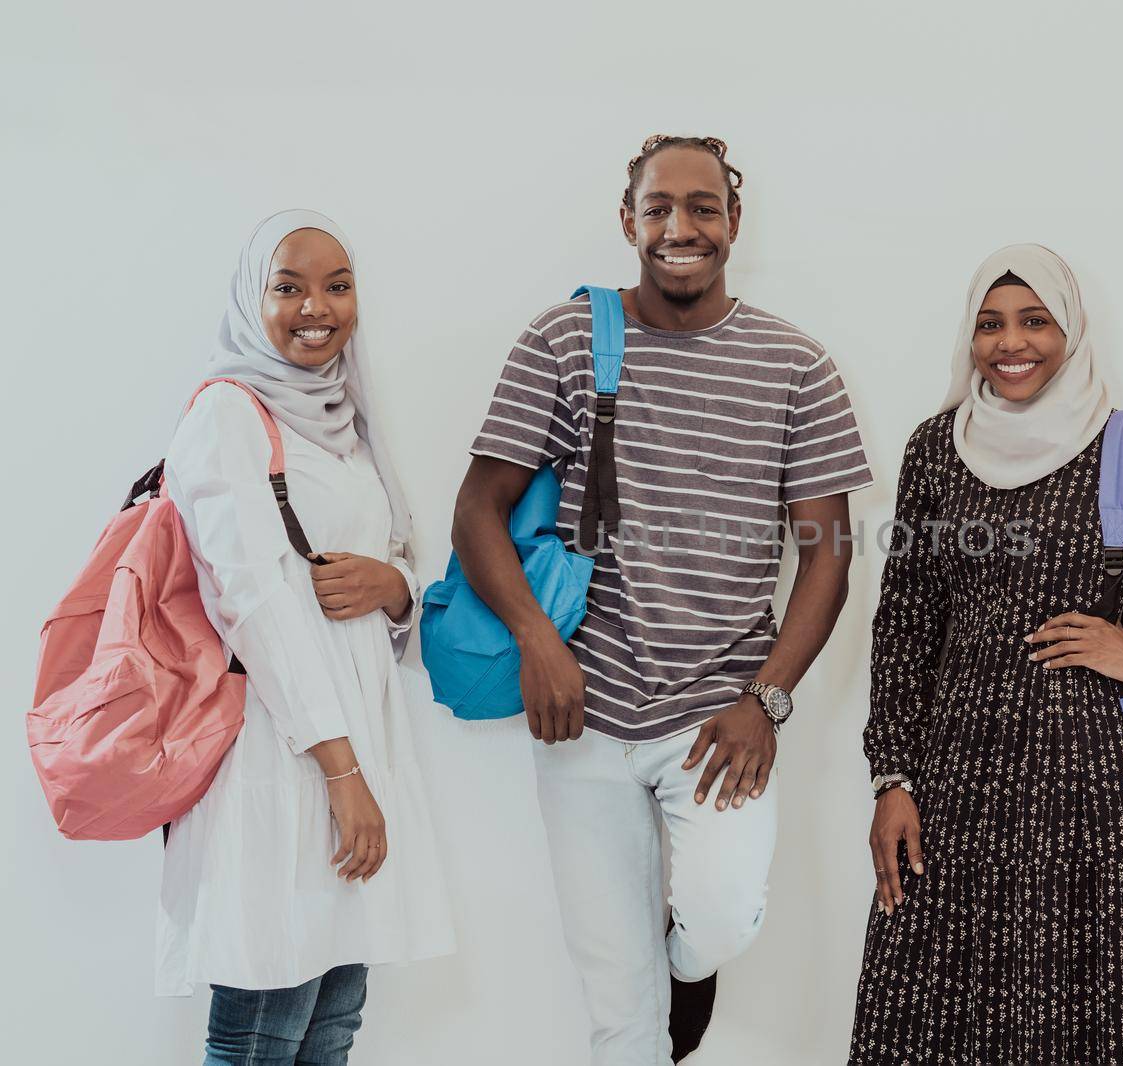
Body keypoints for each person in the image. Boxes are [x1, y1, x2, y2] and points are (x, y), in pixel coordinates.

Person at [451, 135, 874, 1065]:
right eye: (657, 208)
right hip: (583, 710)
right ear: (627, 219)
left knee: (723, 922)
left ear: (734, 221)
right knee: (617, 1008)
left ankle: (687, 967)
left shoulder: (796, 365)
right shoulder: (563, 340)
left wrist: (766, 698)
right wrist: (538, 640)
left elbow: (830, 558)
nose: (679, 228)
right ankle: (647, 1003)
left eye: (703, 208)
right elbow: (476, 509)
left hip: (718, 714)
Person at [850, 244, 1123, 1064]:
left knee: (1076, 1016)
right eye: (990, 324)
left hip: (1082, 784)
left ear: (1072, 332)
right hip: (952, 786)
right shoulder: (934, 450)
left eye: (1034, 321)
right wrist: (892, 777)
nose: (1010, 343)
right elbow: (905, 625)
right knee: (925, 1015)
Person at [158, 210, 455, 1064]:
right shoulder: (227, 416)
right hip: (279, 752)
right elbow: (255, 605)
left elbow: (396, 559)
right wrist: (343, 773)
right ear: (254, 300)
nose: (314, 307)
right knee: (265, 1018)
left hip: (353, 739)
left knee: (333, 1016)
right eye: (287, 287)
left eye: (336, 285)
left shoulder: (347, 416)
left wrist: (395, 586)